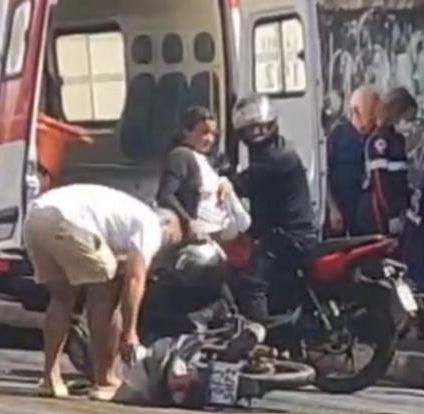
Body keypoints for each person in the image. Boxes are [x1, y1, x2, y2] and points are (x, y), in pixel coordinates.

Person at [24, 176, 184, 401]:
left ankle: (50, 378)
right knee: (106, 292)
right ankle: (105, 380)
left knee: (62, 298)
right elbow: (134, 279)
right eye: (170, 242)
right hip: (66, 220)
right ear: (167, 228)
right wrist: (130, 331)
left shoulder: (126, 214)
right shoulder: (151, 225)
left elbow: (103, 251)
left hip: (36, 217)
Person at [230, 94, 320, 325]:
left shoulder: (274, 160)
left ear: (272, 124)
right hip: (290, 233)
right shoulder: (278, 150)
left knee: (251, 283)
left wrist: (217, 183)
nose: (258, 134)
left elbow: (240, 185)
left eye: (261, 128)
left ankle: (260, 339)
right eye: (252, 129)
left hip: (289, 237)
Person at [156, 106, 252, 244]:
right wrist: (188, 224)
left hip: (221, 232)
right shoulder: (181, 156)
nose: (210, 139)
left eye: (213, 134)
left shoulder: (204, 158)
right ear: (187, 131)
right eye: (205, 133)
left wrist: (223, 184)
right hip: (202, 237)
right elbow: (165, 195)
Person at [361, 87, 418, 237]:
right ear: (397, 115)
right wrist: (391, 215)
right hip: (377, 211)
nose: (411, 127)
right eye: (408, 120)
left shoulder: (398, 140)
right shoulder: (380, 141)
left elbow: (400, 180)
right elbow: (380, 183)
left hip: (395, 209)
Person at [327, 86, 380, 236]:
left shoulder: (377, 137)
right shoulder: (337, 137)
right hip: (341, 211)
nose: (374, 120)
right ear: (356, 112)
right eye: (370, 115)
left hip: (368, 216)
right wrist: (332, 207)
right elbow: (325, 174)